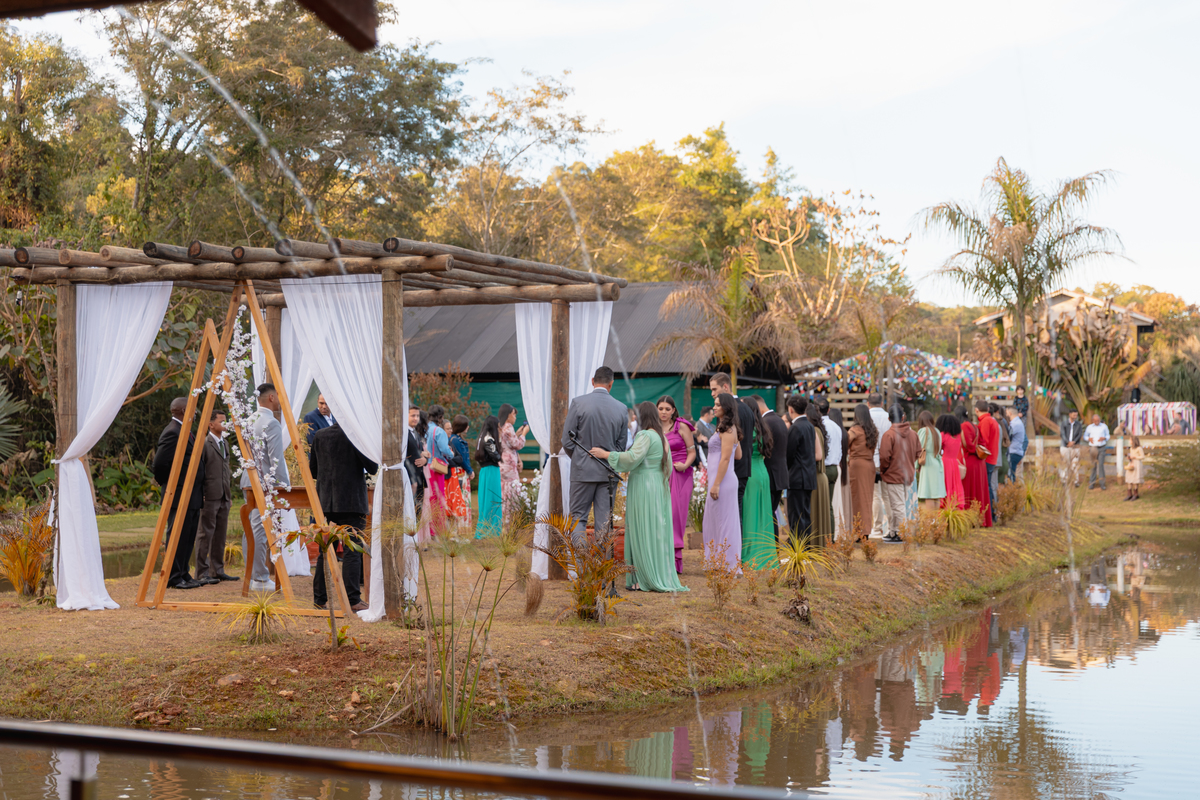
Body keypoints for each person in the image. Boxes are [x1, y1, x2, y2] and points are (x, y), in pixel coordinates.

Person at [590, 402, 689, 592]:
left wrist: (606, 454)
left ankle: (642, 578)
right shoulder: (662, 437)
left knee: (642, 529)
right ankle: (654, 573)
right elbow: (667, 467)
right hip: (658, 486)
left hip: (644, 486)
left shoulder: (645, 435)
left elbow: (631, 458)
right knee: (654, 531)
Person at [308, 421, 376, 611]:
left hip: (326, 500)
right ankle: (353, 599)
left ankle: (319, 598)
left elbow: (313, 470)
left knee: (324, 549)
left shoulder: (320, 435)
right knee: (352, 549)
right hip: (351, 500)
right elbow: (372, 467)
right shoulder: (356, 435)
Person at [562, 367, 628, 547]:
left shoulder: (578, 403)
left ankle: (580, 569)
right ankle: (601, 571)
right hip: (608, 473)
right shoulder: (622, 409)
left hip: (582, 472)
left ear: (592, 381)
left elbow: (567, 441)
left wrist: (580, 459)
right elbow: (621, 447)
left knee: (578, 518)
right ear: (611, 384)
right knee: (604, 523)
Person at [239, 383, 290, 591]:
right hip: (263, 483)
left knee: (249, 528)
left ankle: (251, 575)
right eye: (277, 395)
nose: (279, 399)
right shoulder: (271, 422)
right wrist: (284, 486)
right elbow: (275, 459)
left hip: (247, 480)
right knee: (260, 527)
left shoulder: (249, 420)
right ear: (270, 398)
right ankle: (259, 578)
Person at [152, 397, 206, 590]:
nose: (195, 414)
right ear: (184, 410)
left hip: (193, 494)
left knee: (188, 535)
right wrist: (169, 484)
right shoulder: (173, 432)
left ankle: (183, 573)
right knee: (177, 534)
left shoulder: (185, 431)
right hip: (179, 493)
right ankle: (173, 577)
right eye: (194, 411)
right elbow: (159, 463)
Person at [702, 393, 742, 570]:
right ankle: (720, 560)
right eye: (714, 404)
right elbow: (738, 454)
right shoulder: (727, 428)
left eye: (718, 405)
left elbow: (726, 459)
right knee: (718, 520)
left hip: (722, 481)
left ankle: (726, 563)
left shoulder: (727, 430)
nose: (714, 407)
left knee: (723, 522)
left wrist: (716, 483)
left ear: (726, 407)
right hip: (722, 479)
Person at [708, 373, 756, 520]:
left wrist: (717, 481)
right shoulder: (747, 408)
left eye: (715, 389)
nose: (712, 393)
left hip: (730, 471)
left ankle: (731, 544)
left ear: (726, 387)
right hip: (741, 468)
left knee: (729, 518)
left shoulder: (729, 412)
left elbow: (728, 450)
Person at [196, 411, 236, 585]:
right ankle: (201, 572)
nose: (225, 424)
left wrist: (229, 494)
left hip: (224, 495)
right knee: (205, 533)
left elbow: (225, 471)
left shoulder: (225, 443)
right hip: (209, 496)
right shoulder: (205, 444)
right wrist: (202, 494)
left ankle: (217, 570)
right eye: (221, 421)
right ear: (211, 424)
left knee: (220, 533)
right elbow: (200, 471)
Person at [657, 395, 696, 574]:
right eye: (661, 409)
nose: (663, 412)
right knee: (661, 516)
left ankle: (675, 561)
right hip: (660, 476)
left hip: (680, 474)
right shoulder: (654, 427)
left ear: (673, 410)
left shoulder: (682, 426)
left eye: (667, 409)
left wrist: (685, 465)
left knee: (676, 515)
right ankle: (661, 559)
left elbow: (692, 452)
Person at [740, 397, 775, 567]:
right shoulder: (763, 428)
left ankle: (750, 552)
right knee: (763, 514)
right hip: (763, 473)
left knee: (750, 513)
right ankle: (765, 551)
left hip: (751, 473)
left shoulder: (747, 430)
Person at [879, 405, 918, 541]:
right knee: (899, 505)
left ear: (889, 418)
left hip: (893, 475)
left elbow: (884, 457)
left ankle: (902, 534)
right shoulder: (913, 434)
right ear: (903, 416)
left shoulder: (888, 435)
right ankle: (894, 532)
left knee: (898, 506)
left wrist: (883, 470)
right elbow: (918, 452)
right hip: (907, 475)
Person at [754, 395, 790, 541]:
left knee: (768, 514)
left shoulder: (766, 422)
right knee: (772, 513)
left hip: (770, 474)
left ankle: (772, 548)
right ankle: (773, 548)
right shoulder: (780, 420)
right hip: (780, 473)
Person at [784, 395, 816, 542]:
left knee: (795, 516)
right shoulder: (810, 426)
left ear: (790, 410)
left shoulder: (796, 427)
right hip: (809, 476)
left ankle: (796, 549)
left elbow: (788, 455)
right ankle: (806, 547)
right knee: (805, 514)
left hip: (797, 477)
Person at [847, 404, 878, 541]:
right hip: (869, 465)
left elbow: (844, 443)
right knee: (867, 498)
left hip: (857, 466)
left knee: (856, 498)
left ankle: (858, 531)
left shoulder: (854, 430)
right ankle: (865, 531)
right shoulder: (873, 430)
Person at [958, 405, 992, 527]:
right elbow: (982, 443)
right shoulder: (974, 425)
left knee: (969, 491)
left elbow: (968, 445)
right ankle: (980, 519)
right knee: (979, 491)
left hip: (970, 462)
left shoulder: (963, 426)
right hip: (979, 462)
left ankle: (969, 519)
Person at [424, 405, 455, 531]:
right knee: (438, 498)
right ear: (441, 417)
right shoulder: (439, 431)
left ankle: (427, 529)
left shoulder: (424, 429)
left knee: (428, 498)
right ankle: (438, 529)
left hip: (425, 466)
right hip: (437, 467)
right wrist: (451, 454)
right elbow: (444, 449)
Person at [497, 404, 530, 520]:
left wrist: (517, 434)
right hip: (509, 466)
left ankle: (503, 517)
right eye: (514, 415)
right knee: (512, 491)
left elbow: (508, 444)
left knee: (504, 491)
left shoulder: (501, 427)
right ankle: (510, 519)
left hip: (502, 464)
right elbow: (517, 445)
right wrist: (524, 433)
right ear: (508, 416)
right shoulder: (508, 427)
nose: (515, 417)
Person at [806, 403, 832, 547]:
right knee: (820, 514)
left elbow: (816, 455)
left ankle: (815, 545)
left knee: (815, 513)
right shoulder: (819, 430)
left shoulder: (813, 431)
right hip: (821, 477)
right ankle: (820, 544)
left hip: (816, 476)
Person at [867, 393, 892, 538]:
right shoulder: (888, 417)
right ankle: (890, 526)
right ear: (882, 403)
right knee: (886, 495)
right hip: (887, 460)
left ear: (868, 404)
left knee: (876, 495)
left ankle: (876, 528)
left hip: (872, 460)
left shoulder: (866, 417)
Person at [474, 415, 503, 538]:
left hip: (485, 471)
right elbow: (497, 456)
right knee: (493, 500)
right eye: (498, 426)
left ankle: (485, 529)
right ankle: (492, 530)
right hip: (492, 471)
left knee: (485, 501)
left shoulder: (481, 437)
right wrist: (500, 440)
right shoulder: (489, 439)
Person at [912, 409, 945, 514]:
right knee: (936, 495)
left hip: (928, 464)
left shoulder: (923, 431)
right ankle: (936, 521)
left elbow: (919, 450)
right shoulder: (937, 431)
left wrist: (916, 465)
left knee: (929, 495)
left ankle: (931, 521)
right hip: (937, 462)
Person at [817, 398, 841, 530]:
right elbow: (840, 451)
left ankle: (822, 536)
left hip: (822, 468)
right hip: (834, 467)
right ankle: (830, 537)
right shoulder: (836, 426)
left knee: (819, 505)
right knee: (829, 505)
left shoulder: (819, 427)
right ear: (829, 410)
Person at [829, 406, 853, 537]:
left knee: (834, 501)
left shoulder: (832, 432)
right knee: (844, 501)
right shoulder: (844, 433)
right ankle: (845, 530)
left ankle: (837, 531)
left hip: (835, 468)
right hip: (844, 469)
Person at [446, 415, 473, 521]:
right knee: (461, 499)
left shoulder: (458, 438)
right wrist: (470, 470)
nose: (468, 427)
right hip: (460, 472)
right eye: (466, 425)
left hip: (463, 471)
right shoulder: (455, 440)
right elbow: (461, 458)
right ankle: (460, 526)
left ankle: (463, 528)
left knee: (464, 499)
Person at [975, 399, 1001, 512]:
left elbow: (983, 442)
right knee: (989, 486)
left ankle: (990, 512)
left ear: (976, 410)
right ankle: (992, 512)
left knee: (987, 487)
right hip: (993, 457)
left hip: (987, 458)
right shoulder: (992, 420)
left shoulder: (985, 421)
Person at [937, 413, 966, 509]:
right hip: (954, 463)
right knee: (954, 485)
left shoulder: (943, 435)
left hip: (944, 463)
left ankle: (943, 506)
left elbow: (936, 449)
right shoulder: (958, 437)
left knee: (945, 484)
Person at [405, 406, 429, 515]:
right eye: (413, 415)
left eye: (417, 416)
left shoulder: (416, 434)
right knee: (410, 512)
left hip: (419, 478)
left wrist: (425, 459)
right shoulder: (403, 433)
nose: (416, 418)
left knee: (418, 513)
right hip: (410, 479)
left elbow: (419, 452)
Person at [1085, 412, 1111, 490]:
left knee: (1101, 465)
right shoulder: (1089, 427)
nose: (1097, 422)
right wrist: (1088, 439)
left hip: (1102, 447)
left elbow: (1108, 435)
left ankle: (1102, 483)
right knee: (1093, 465)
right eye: (1095, 420)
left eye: (1098, 420)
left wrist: (1104, 438)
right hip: (1093, 448)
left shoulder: (1104, 426)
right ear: (1093, 420)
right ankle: (1092, 483)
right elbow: (1085, 436)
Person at [1060, 409, 1084, 487]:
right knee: (1066, 463)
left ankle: (1075, 481)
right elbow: (1062, 434)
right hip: (1065, 446)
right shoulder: (1064, 423)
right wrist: (1068, 442)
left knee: (1075, 464)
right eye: (1074, 415)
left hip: (1075, 446)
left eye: (1076, 415)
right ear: (1069, 414)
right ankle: (1064, 480)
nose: (1075, 417)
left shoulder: (1078, 424)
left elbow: (1079, 434)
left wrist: (1073, 442)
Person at [1005, 407, 1027, 482]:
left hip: (1014, 452)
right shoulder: (1018, 422)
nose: (1006, 415)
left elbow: (1008, 436)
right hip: (1017, 451)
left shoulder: (1015, 424)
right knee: (1012, 474)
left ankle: (1012, 491)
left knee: (1011, 475)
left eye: (1006, 413)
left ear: (1010, 413)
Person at [1124, 434, 1145, 501]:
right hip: (1132, 463)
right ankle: (1129, 494)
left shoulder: (1139, 448)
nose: (1129, 441)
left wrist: (1135, 457)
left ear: (1133, 441)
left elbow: (1142, 457)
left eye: (1130, 439)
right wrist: (1130, 458)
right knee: (1130, 478)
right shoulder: (1131, 448)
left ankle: (1136, 494)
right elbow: (1132, 456)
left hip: (1137, 464)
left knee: (1135, 479)